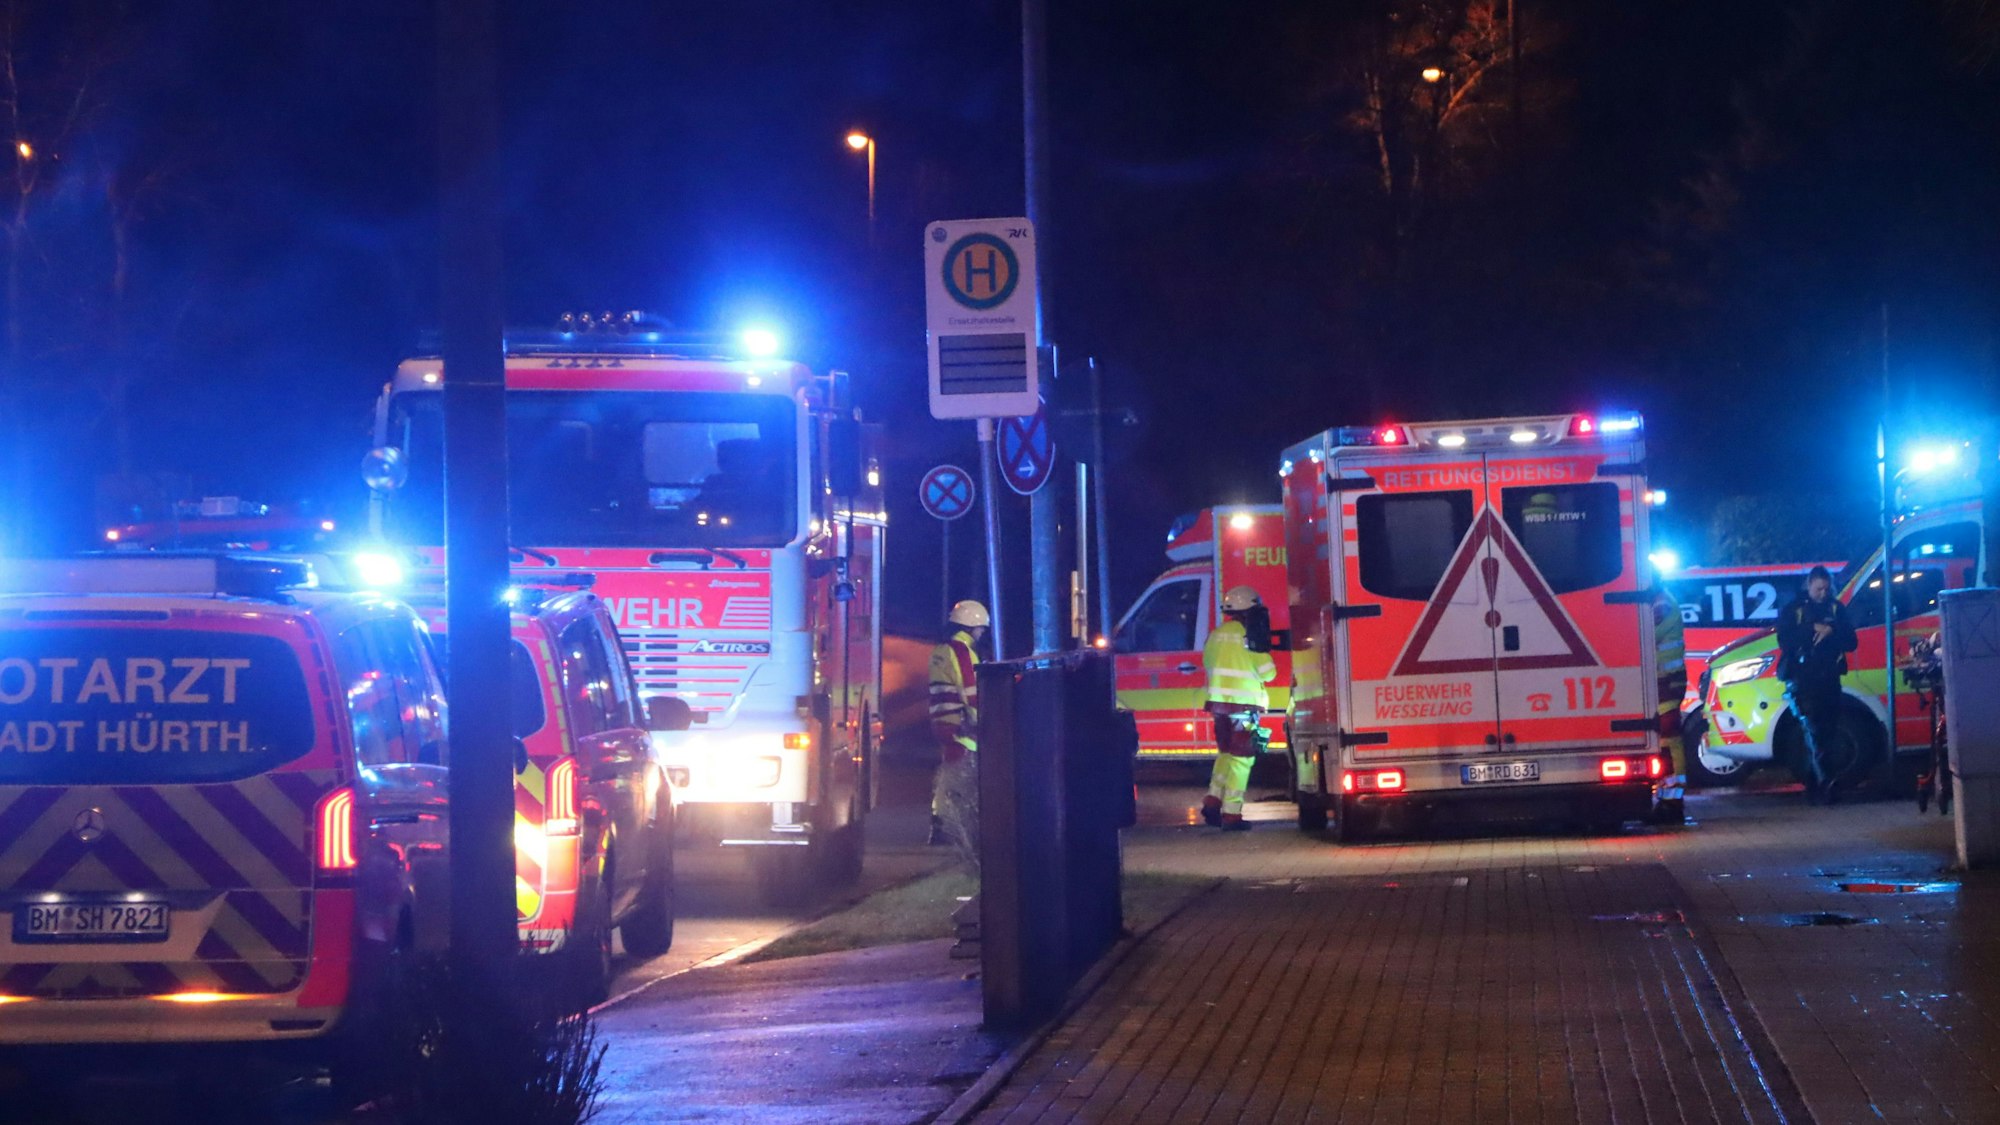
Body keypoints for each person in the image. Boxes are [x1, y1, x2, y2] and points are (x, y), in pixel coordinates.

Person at [1198, 585, 1279, 832]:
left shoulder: (1215, 635)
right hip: (1243, 708)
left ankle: (1213, 801)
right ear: (1250, 611)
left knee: (1226, 753)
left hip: (1219, 706)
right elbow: (1269, 674)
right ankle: (1232, 815)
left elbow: (1207, 662)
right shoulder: (1250, 636)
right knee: (1242, 760)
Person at [1776, 565, 1858, 803]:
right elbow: (1785, 641)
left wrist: (1832, 630)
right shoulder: (1794, 610)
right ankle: (1828, 783)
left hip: (1829, 679)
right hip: (1802, 681)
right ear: (1809, 585)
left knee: (1828, 733)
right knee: (1815, 731)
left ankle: (1814, 787)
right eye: (1818, 589)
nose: (1823, 593)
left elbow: (1852, 642)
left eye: (1826, 589)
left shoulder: (1836, 609)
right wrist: (1811, 628)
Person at [927, 600, 988, 856]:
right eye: (981, 628)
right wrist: (983, 721)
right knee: (963, 773)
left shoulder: (940, 650)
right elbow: (970, 691)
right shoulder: (962, 651)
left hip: (942, 719)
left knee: (950, 770)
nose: (982, 633)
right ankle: (951, 825)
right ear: (971, 625)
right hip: (959, 723)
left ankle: (940, 823)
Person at [1651, 584, 1688, 824]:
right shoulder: (1661, 600)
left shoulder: (1662, 604)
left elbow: (1645, 632)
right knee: (1665, 741)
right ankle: (1667, 798)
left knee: (1670, 739)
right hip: (1664, 681)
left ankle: (1673, 802)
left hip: (1668, 681)